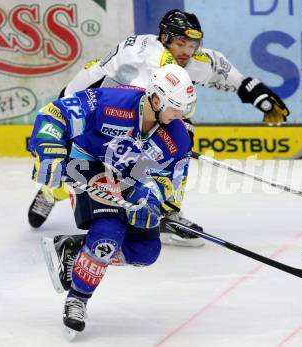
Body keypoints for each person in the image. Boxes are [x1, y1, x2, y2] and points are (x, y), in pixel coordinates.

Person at [28, 9, 289, 247]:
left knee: (180, 136)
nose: (187, 51)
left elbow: (230, 76)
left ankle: (168, 210)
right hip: (89, 107)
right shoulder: (145, 58)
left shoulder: (193, 59)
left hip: (129, 111)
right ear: (164, 38)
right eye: (180, 44)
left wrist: (260, 97)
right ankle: (51, 192)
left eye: (192, 45)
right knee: (92, 169)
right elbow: (137, 107)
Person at [29, 64, 197, 336]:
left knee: (147, 251)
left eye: (184, 107)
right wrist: (50, 146)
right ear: (155, 98)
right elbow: (55, 112)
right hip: (88, 163)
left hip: (131, 178)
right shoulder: (112, 101)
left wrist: (152, 197)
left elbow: (170, 179)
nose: (180, 115)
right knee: (108, 234)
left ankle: (77, 250)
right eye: (175, 106)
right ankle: (77, 299)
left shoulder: (177, 135)